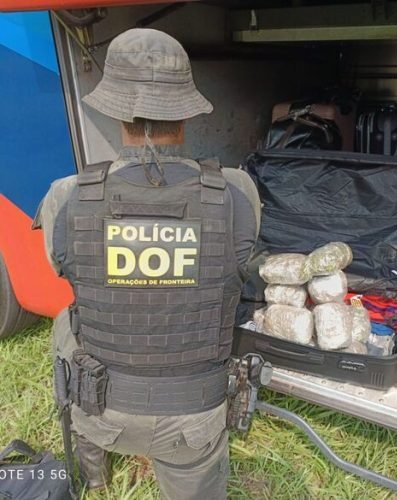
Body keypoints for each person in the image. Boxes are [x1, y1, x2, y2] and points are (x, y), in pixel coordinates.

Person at [35, 28, 260, 499]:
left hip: (101, 410)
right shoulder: (239, 192)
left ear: (116, 111)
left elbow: (64, 270)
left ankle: (93, 473)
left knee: (65, 322)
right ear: (186, 112)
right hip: (192, 420)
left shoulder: (66, 195)